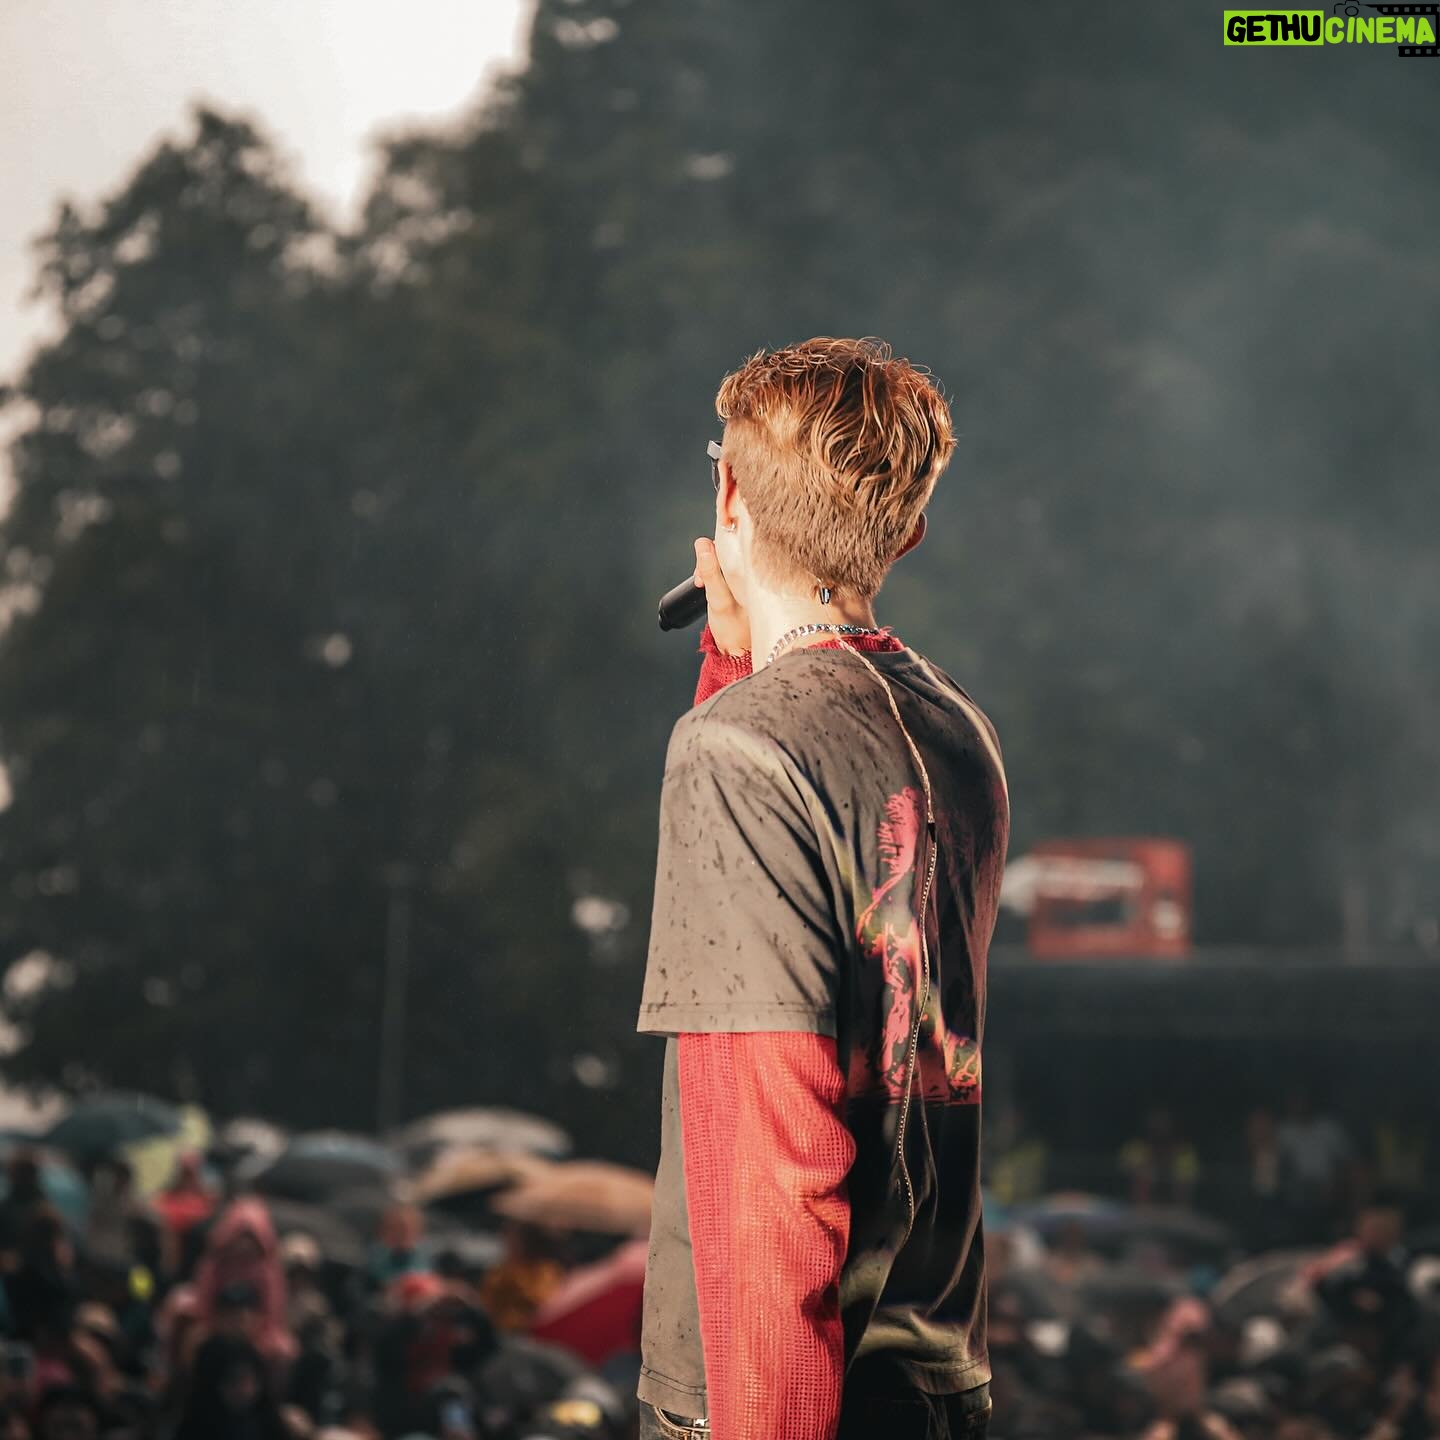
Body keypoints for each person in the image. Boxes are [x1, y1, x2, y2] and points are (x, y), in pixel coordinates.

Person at [636, 338, 1009, 1439]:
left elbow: (771, 1165)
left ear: (730, 497)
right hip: (936, 1380)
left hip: (777, 1402)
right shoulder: (961, 731)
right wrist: (734, 665)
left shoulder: (733, 754)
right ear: (908, 531)